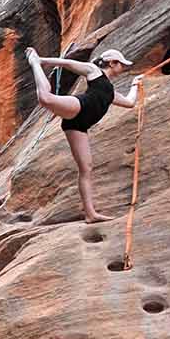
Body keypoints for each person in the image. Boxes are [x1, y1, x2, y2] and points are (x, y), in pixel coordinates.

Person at [24, 46, 142, 224]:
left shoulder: (110, 92)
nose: (123, 68)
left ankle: (90, 214)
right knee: (45, 98)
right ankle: (34, 63)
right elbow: (69, 64)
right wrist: (42, 60)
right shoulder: (95, 71)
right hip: (79, 106)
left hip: (79, 125)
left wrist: (135, 84)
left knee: (86, 168)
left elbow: (130, 103)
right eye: (122, 64)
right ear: (112, 63)